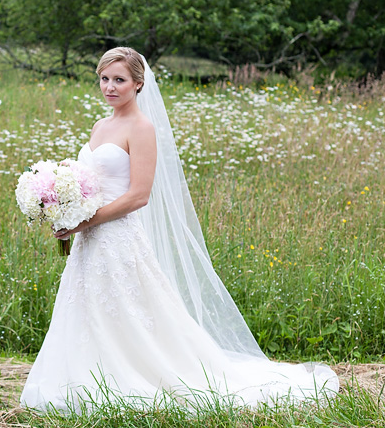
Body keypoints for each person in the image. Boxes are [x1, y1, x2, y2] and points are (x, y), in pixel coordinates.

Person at [19, 47, 339, 414]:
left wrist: (85, 221)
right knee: (86, 308)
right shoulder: (100, 126)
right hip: (89, 242)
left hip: (118, 237)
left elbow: (139, 195)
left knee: (130, 312)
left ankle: (137, 376)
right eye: (104, 79)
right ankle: (82, 380)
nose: (110, 87)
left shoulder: (141, 128)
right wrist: (62, 209)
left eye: (119, 80)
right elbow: (89, 181)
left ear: (138, 84)